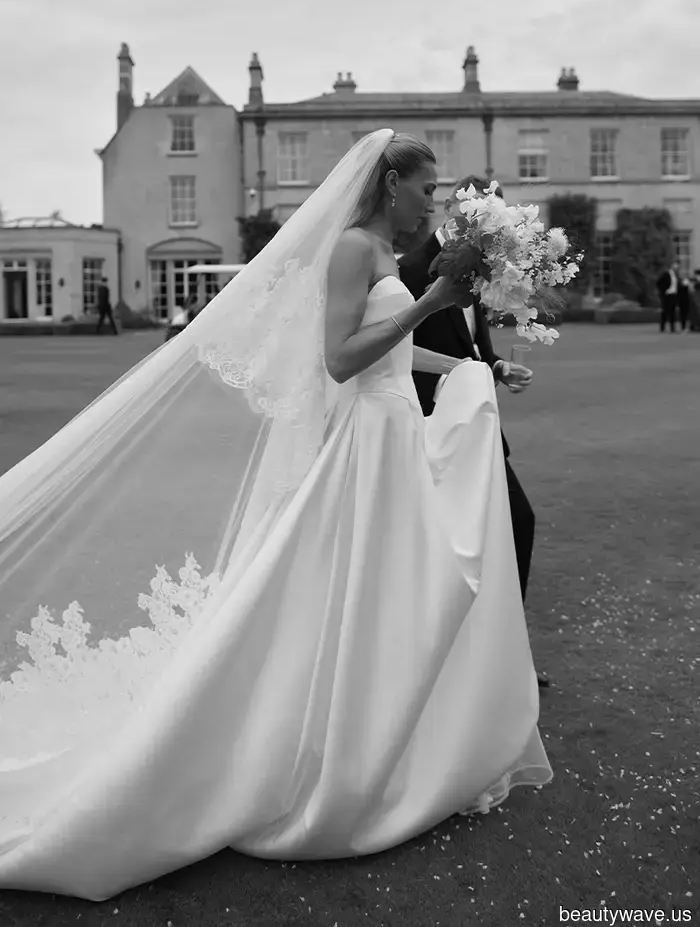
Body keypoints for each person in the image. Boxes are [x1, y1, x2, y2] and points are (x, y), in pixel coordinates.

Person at [0, 131, 551, 901]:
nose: (436, 199)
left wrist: (472, 363)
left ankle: (386, 731)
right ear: (391, 183)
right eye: (427, 187)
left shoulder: (388, 255)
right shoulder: (356, 248)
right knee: (344, 589)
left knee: (393, 590)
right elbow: (339, 360)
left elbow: (392, 353)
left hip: (398, 431)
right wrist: (431, 304)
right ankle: (319, 749)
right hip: (367, 439)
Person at [399, 174, 549, 690]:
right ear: (457, 213)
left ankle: (499, 653)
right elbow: (394, 355)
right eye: (490, 221)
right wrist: (467, 372)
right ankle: (450, 661)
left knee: (515, 524)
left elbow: (471, 346)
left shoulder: (478, 271)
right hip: (432, 430)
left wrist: (496, 367)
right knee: (448, 548)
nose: (496, 234)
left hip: (478, 428)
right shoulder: (410, 271)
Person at [656, 262, 679, 333]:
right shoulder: (666, 274)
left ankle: (672, 328)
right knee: (665, 311)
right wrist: (664, 291)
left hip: (673, 295)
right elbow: (658, 282)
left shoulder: (676, 276)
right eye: (675, 267)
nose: (676, 268)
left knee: (672, 311)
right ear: (672, 267)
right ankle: (662, 327)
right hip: (667, 295)